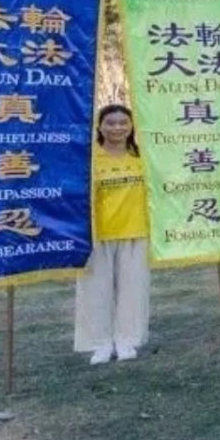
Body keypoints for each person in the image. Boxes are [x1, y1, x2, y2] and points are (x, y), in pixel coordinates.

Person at [76, 103, 154, 365]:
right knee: (95, 291)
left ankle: (127, 340)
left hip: (136, 231)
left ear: (131, 127)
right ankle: (100, 343)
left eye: (123, 123)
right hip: (97, 235)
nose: (117, 128)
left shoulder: (142, 157)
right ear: (99, 127)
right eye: (110, 123)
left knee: (133, 289)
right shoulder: (89, 158)